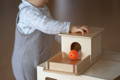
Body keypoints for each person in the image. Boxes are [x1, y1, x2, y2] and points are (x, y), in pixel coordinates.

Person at [12, 0, 89, 80]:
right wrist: (68, 27)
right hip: (25, 64)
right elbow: (46, 25)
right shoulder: (27, 12)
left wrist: (67, 42)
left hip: (41, 58)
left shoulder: (43, 8)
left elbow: (53, 30)